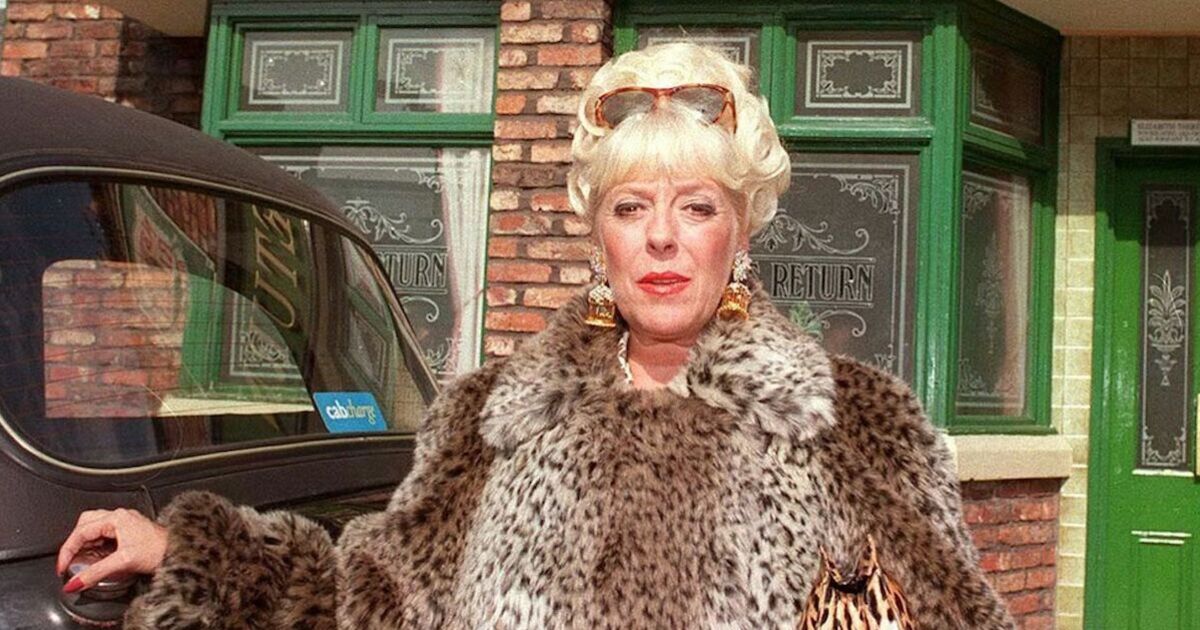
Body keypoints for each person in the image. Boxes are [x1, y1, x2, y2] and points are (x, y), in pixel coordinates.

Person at [57, 42, 1014, 629]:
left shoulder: (852, 429)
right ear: (598, 233)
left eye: (696, 206)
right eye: (631, 207)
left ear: (743, 228)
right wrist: (193, 554)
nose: (663, 239)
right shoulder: (493, 422)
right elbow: (372, 600)